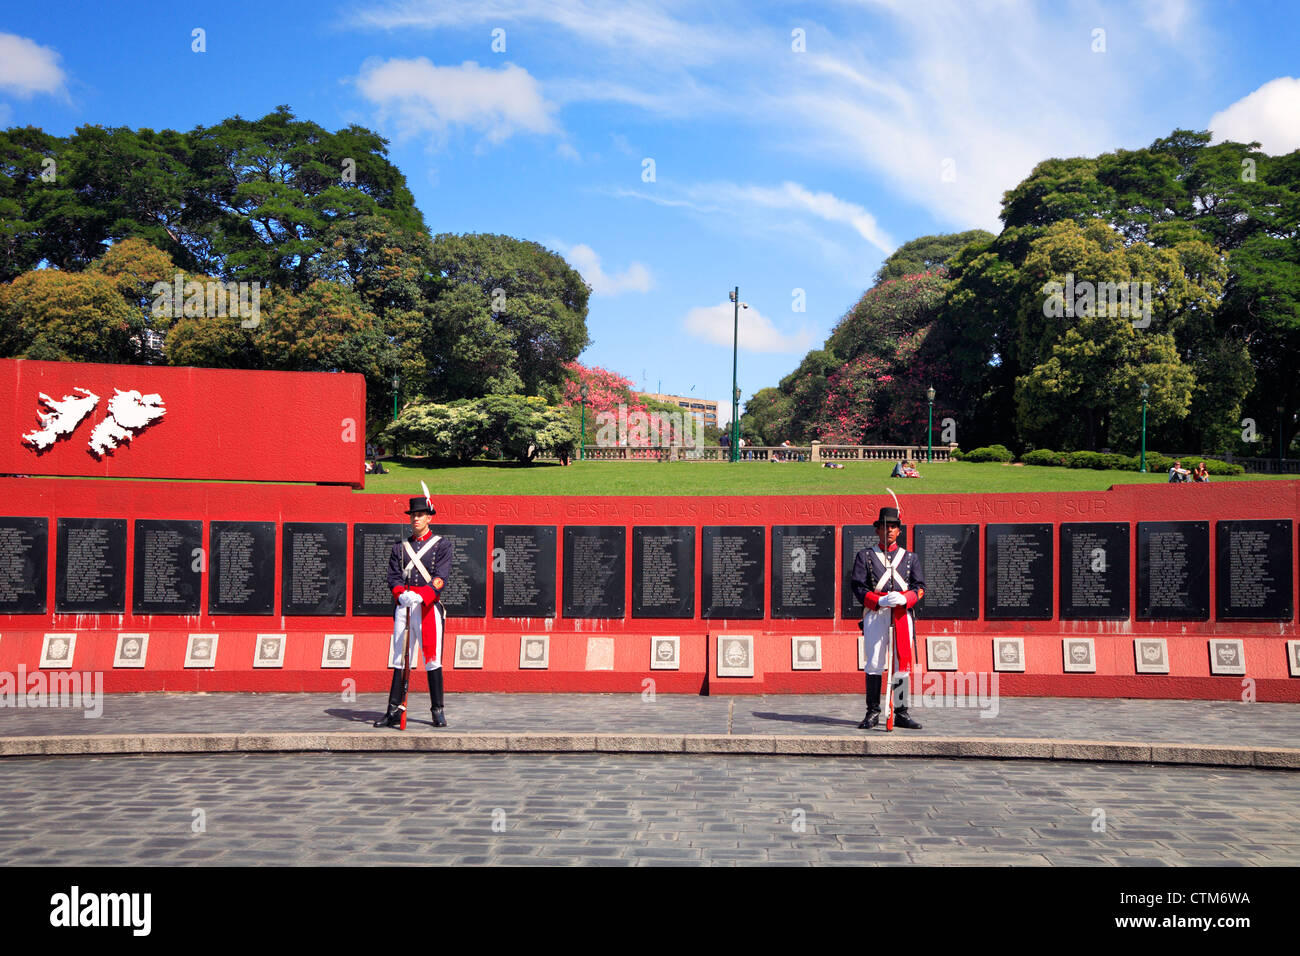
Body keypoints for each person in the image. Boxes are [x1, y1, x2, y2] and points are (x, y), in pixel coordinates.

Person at [374, 491, 453, 728]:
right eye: (413, 515)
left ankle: (437, 710)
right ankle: (393, 710)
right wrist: (401, 594)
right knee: (399, 658)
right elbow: (393, 577)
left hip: (428, 607)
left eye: (420, 515)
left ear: (429, 517)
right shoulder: (400, 547)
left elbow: (440, 577)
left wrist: (422, 595)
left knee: (432, 659)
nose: (416, 519)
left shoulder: (442, 545)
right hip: (405, 607)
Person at [850, 506, 926, 730]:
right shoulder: (865, 556)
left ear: (899, 531)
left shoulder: (910, 558)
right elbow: (857, 586)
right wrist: (879, 600)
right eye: (884, 526)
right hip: (876, 613)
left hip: (901, 614)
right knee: (874, 662)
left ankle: (901, 712)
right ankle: (873, 711)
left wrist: (906, 598)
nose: (889, 530)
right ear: (877, 530)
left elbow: (920, 587)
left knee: (902, 662)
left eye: (893, 527)